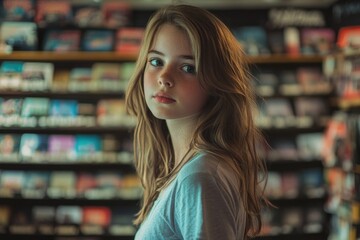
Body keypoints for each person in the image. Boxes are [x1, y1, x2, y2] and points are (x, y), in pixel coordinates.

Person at [125, 4, 269, 240]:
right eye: (156, 61)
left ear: (216, 83)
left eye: (188, 67)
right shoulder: (191, 168)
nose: (164, 78)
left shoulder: (199, 178)